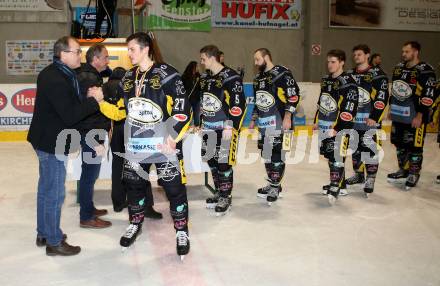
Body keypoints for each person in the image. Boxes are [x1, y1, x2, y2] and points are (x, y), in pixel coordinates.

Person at [96, 32, 192, 259]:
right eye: (128, 50)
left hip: (164, 147)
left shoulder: (168, 74)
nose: (129, 54)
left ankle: (182, 231)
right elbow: (120, 111)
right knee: (134, 186)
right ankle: (135, 223)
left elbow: (182, 110)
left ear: (146, 48)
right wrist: (100, 102)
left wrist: (172, 137)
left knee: (174, 190)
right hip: (136, 147)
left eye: (132, 49)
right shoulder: (128, 78)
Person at [28, 36, 103, 256]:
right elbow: (70, 115)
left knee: (45, 190)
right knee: (54, 194)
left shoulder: (60, 73)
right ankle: (53, 241)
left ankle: (44, 232)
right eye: (77, 51)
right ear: (64, 54)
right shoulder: (55, 78)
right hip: (52, 143)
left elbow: (68, 106)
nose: (80, 55)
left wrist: (85, 97)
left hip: (48, 139)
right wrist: (94, 101)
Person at [103, 67, 163, 219]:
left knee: (117, 167)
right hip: (131, 129)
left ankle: (117, 203)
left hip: (114, 131)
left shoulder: (105, 87)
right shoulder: (130, 86)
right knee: (139, 167)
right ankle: (146, 205)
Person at [248, 48, 300, 205]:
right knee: (267, 155)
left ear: (266, 57)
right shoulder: (258, 78)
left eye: (258, 59)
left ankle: (275, 187)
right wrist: (253, 119)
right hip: (264, 124)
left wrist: (288, 116)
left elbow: (293, 95)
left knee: (278, 154)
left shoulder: (282, 72)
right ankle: (273, 183)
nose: (256, 63)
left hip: (280, 122)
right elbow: (258, 101)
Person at [199, 45, 246, 215]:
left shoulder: (230, 77)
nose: (202, 62)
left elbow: (238, 103)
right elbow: (205, 102)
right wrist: (201, 122)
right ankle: (219, 191)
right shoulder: (206, 77)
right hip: (208, 129)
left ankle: (226, 197)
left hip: (224, 130)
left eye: (203, 59)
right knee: (212, 161)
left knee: (223, 163)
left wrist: (230, 125)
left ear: (212, 58)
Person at [387, 41, 437, 190]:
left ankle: (414, 173)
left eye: (406, 52)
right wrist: (391, 109)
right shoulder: (399, 68)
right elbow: (395, 90)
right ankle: (404, 170)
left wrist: (420, 115)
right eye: (403, 51)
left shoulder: (425, 70)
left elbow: (429, 94)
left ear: (415, 52)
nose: (403, 54)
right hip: (398, 115)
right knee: (399, 143)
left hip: (416, 116)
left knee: (415, 146)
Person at [313, 49, 359, 205]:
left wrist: (339, 127)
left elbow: (349, 108)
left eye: (333, 62)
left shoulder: (348, 83)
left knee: (337, 156)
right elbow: (322, 101)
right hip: (324, 125)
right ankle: (342, 184)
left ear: (342, 62)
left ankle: (335, 186)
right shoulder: (326, 79)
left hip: (338, 127)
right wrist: (316, 120)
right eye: (328, 61)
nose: (330, 65)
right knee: (330, 156)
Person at [345, 44, 389, 197]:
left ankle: (370, 178)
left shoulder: (377, 74)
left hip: (370, 121)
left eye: (359, 54)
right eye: (355, 54)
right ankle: (359, 174)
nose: (356, 57)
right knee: (356, 149)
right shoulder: (349, 74)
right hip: (353, 121)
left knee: (370, 150)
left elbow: (382, 97)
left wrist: (374, 117)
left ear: (367, 55)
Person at [76, 43, 112, 228]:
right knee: (89, 174)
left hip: (91, 130)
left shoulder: (91, 75)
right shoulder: (88, 78)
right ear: (95, 59)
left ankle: (88, 207)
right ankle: (87, 217)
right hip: (91, 131)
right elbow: (91, 108)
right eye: (105, 57)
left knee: (89, 173)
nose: (108, 60)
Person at [182, 61, 201, 126]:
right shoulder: (185, 77)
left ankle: (196, 127)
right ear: (193, 67)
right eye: (197, 66)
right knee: (188, 115)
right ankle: (187, 127)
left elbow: (200, 88)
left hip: (196, 100)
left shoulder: (199, 77)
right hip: (188, 99)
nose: (198, 68)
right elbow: (183, 88)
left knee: (196, 115)